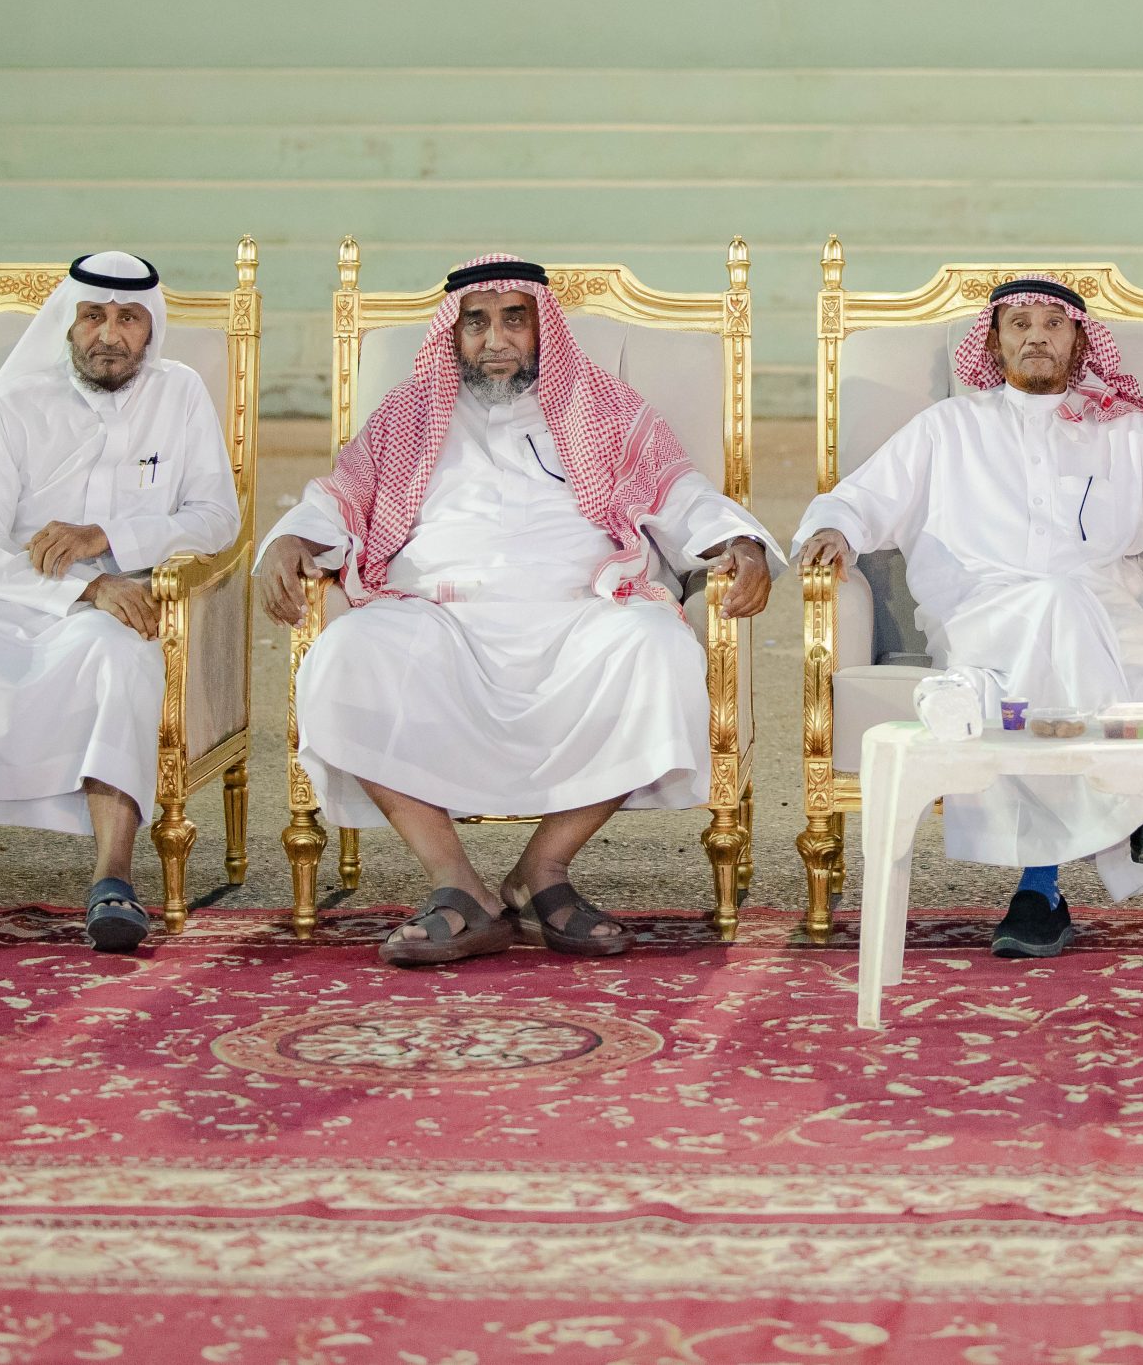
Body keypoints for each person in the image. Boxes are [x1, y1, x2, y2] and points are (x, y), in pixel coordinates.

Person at [256, 256, 779, 967]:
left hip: (581, 619)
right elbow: (339, 495)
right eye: (476, 321)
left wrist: (738, 542)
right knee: (343, 656)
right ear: (454, 332)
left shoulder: (605, 408)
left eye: (514, 318)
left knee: (662, 652)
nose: (494, 339)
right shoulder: (408, 414)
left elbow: (680, 493)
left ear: (542, 326)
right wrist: (290, 540)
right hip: (436, 621)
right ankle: (457, 884)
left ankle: (543, 869)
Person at [794, 277, 1143, 958]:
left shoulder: (1124, 430)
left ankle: (1040, 887)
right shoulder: (948, 429)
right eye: (1019, 324)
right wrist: (834, 530)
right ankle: (1140, 802)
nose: (1037, 336)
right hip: (982, 617)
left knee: (1059, 605)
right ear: (993, 343)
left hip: (1112, 622)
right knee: (1052, 600)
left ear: (1078, 340)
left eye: (1053, 323)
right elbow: (856, 499)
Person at [0, 253, 240, 953]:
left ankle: (113, 878)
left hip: (109, 606)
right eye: (93, 316)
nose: (108, 334)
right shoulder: (17, 400)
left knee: (119, 659)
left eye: (127, 318)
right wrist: (85, 583)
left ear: (151, 328)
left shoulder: (179, 394)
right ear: (68, 321)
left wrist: (107, 537)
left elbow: (217, 518)